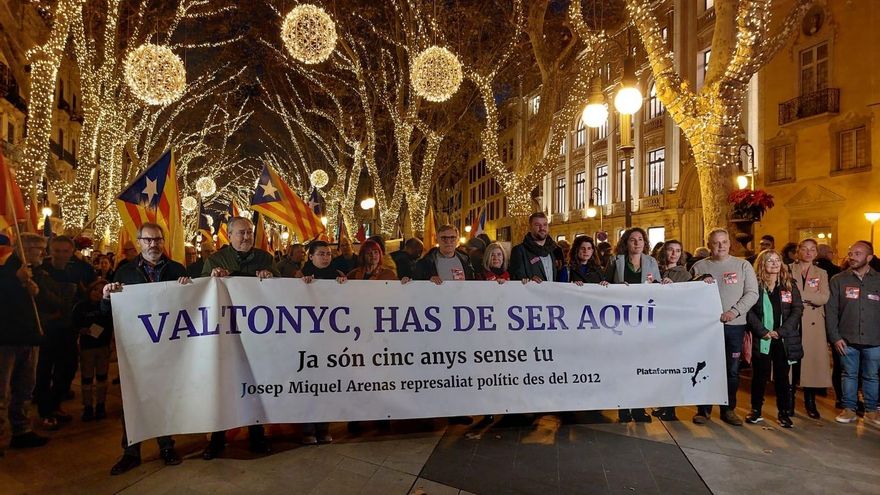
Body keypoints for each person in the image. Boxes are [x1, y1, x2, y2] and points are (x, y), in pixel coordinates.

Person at [102, 223, 186, 475]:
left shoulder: (177, 270)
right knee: (133, 400)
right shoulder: (124, 272)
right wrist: (107, 298)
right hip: (135, 349)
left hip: (168, 348)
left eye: (157, 239)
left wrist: (189, 288)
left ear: (163, 241)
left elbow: (191, 305)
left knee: (162, 398)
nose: (153, 245)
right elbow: (109, 315)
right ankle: (131, 451)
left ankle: (166, 445)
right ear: (139, 242)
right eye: (147, 240)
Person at [202, 217, 277, 459]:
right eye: (241, 233)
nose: (246, 237)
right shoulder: (215, 260)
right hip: (225, 331)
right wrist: (211, 278)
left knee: (254, 383)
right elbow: (201, 293)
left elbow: (280, 289)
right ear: (229, 235)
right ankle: (217, 438)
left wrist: (271, 277)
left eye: (249, 233)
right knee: (222, 384)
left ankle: (257, 434)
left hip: (256, 333)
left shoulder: (265, 258)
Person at [690, 228, 759, 426]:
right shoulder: (699, 266)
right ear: (709, 244)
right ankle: (703, 410)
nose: (721, 246)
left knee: (732, 370)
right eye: (716, 242)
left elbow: (752, 293)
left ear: (730, 243)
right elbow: (689, 295)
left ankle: (728, 409)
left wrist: (734, 312)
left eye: (724, 242)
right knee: (704, 367)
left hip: (734, 326)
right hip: (706, 329)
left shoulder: (743, 266)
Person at [603, 228, 663, 423]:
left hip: (644, 321)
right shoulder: (616, 261)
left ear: (645, 243)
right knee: (623, 367)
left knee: (641, 367)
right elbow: (605, 285)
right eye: (632, 240)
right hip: (621, 321)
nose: (637, 243)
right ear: (625, 243)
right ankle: (623, 408)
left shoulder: (652, 262)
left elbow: (659, 289)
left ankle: (638, 409)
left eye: (640, 239)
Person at [0, 233, 53, 454]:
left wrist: (36, 291)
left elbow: (47, 302)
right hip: (7, 340)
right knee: (2, 390)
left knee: (24, 388)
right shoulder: (5, 272)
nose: (42, 253)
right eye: (37, 249)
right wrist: (15, 281)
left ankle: (21, 430)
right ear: (23, 249)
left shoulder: (37, 272)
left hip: (30, 338)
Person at [36, 235, 93, 428]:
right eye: (57, 250)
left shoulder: (76, 270)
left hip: (68, 329)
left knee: (68, 368)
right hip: (46, 330)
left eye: (65, 251)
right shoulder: (40, 270)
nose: (60, 255)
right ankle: (46, 411)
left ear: (71, 251)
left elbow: (85, 292)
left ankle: (55, 404)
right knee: (44, 370)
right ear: (50, 251)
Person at [745, 250, 804, 428]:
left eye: (777, 260)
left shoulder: (788, 284)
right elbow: (748, 310)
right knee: (759, 377)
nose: (775, 263)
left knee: (782, 377)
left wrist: (782, 331)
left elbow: (797, 309)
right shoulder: (754, 285)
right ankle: (756, 410)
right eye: (770, 260)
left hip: (782, 338)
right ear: (762, 263)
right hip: (762, 337)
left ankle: (784, 413)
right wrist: (762, 330)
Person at [825, 241, 880, 427]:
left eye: (858, 253)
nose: (852, 256)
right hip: (846, 340)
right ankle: (849, 408)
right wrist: (835, 337)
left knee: (872, 376)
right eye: (851, 253)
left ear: (869, 258)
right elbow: (831, 311)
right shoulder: (838, 280)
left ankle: (872, 411)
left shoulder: (879, 280)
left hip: (875, 340)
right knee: (848, 374)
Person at [298, 240, 347, 443]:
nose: (326, 257)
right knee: (309, 385)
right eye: (321, 254)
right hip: (308, 341)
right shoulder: (300, 276)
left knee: (327, 385)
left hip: (330, 340)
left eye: (328, 253)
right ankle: (308, 430)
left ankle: (324, 428)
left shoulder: (337, 275)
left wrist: (345, 286)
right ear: (311, 256)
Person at [790, 239, 831, 419]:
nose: (808, 252)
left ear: (816, 253)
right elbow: (785, 292)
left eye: (812, 249)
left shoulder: (821, 273)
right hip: (792, 320)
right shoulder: (786, 269)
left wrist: (799, 295)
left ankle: (810, 402)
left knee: (812, 363)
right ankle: (788, 402)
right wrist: (809, 297)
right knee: (792, 363)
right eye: (804, 249)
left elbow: (823, 298)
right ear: (797, 251)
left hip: (814, 324)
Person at [652, 239, 691, 421]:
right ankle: (661, 403)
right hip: (655, 325)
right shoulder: (654, 269)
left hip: (673, 327)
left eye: (677, 250)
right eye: (670, 250)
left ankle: (671, 408)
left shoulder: (683, 274)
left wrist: (673, 287)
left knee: (671, 368)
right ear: (664, 252)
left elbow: (687, 297)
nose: (674, 254)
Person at [73, 280, 113, 421]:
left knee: (102, 376)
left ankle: (101, 405)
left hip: (103, 345)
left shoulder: (107, 307)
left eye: (101, 291)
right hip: (87, 346)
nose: (97, 293)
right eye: (95, 290)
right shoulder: (81, 307)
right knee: (87, 378)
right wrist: (81, 330)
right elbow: (74, 323)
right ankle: (88, 406)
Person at [509, 212, 558, 283]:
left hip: (550, 293)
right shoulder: (519, 251)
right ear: (530, 227)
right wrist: (529, 279)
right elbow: (515, 277)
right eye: (537, 225)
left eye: (545, 224)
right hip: (530, 293)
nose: (542, 228)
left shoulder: (552, 250)